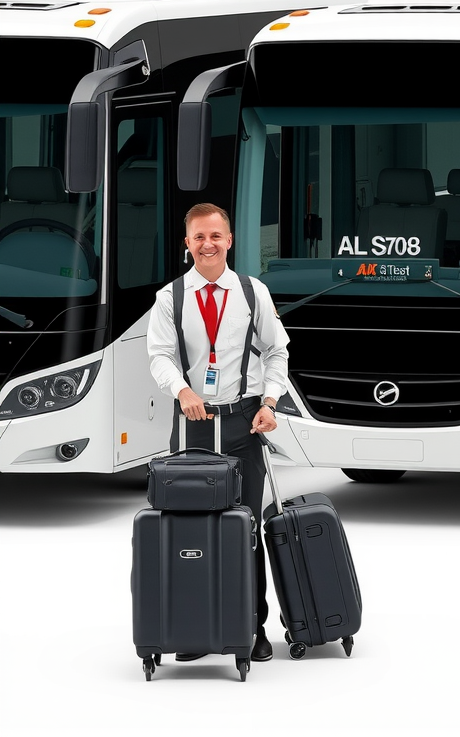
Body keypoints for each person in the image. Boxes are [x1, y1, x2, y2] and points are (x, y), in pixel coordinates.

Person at [147, 202, 288, 660]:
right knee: (191, 527)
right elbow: (159, 356)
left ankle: (253, 628)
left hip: (245, 422)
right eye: (198, 237)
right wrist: (183, 389)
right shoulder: (171, 297)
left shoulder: (252, 292)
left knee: (245, 526)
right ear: (186, 244)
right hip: (193, 426)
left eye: (216, 236)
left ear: (230, 240)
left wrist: (269, 403)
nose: (207, 244)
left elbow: (277, 352)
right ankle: (195, 627)